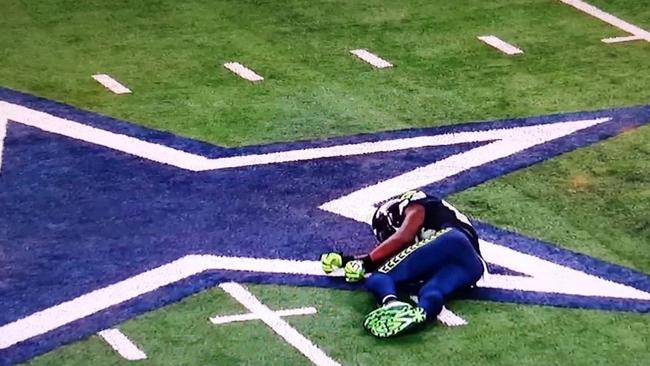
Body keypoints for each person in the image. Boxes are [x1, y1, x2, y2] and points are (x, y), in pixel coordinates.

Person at [321, 190, 485, 338]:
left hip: (451, 239)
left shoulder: (414, 204)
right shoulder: (433, 220)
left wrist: (365, 263)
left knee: (381, 276)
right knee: (431, 290)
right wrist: (349, 260)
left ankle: (391, 303)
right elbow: (402, 254)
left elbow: (403, 237)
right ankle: (421, 314)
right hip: (473, 265)